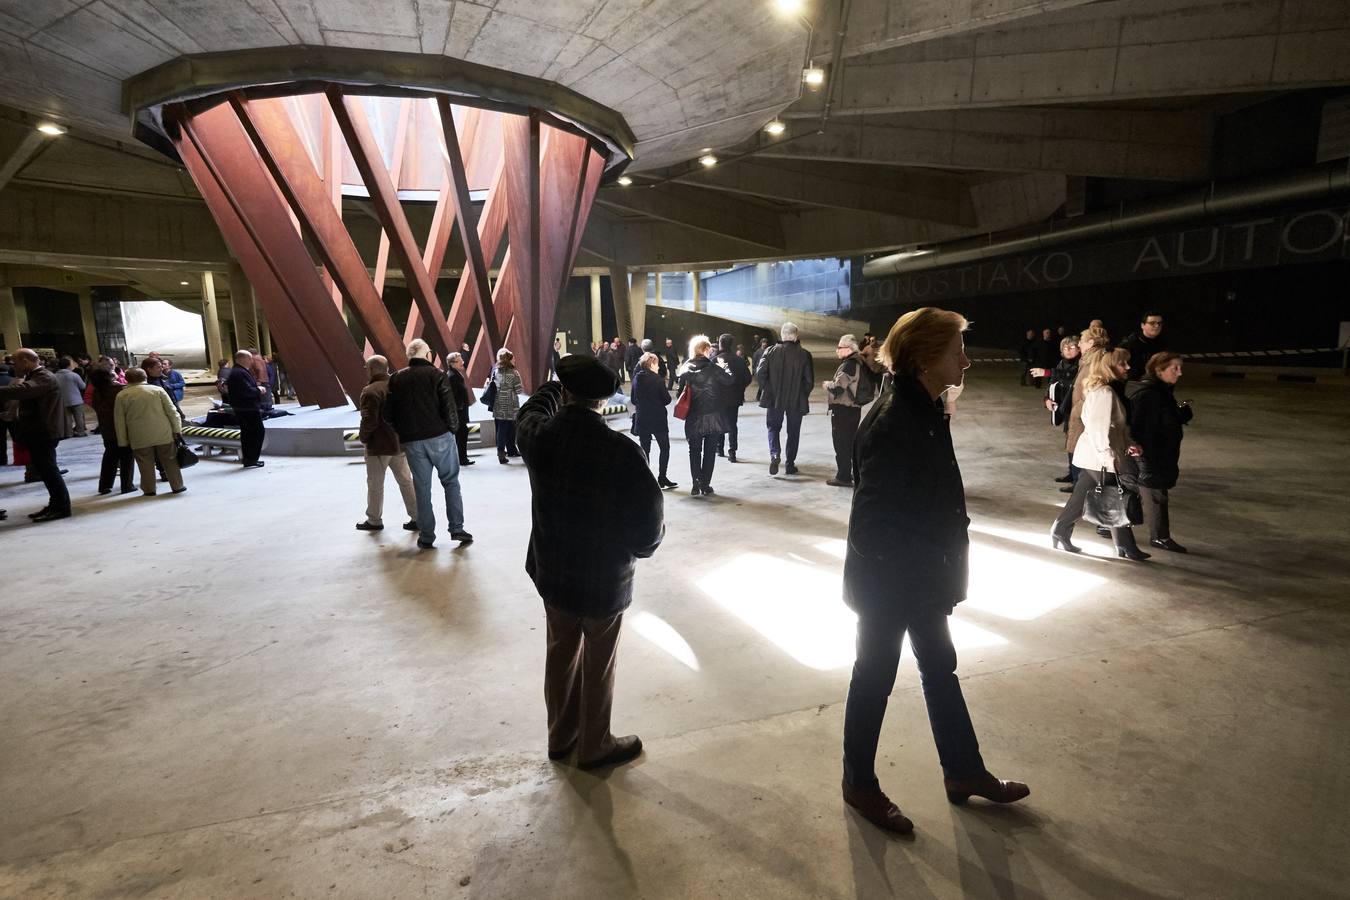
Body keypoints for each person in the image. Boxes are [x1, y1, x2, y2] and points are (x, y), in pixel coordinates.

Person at [842, 307, 1028, 835]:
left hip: (921, 577)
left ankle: (964, 772)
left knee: (939, 667)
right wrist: (912, 576)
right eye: (956, 351)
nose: (966, 360)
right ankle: (858, 783)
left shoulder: (924, 407)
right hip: (889, 583)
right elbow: (871, 526)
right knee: (874, 677)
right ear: (926, 357)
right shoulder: (892, 420)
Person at [516, 354, 664, 770]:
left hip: (553, 572)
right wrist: (643, 549)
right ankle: (595, 744)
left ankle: (560, 737)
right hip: (603, 579)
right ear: (604, 399)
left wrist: (549, 386)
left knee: (560, 652)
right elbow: (649, 521)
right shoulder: (621, 451)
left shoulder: (539, 437)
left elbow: (529, 411)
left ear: (564, 393)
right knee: (599, 661)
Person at [1051, 348, 1150, 561]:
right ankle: (1126, 545)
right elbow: (1099, 428)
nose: (1128, 367)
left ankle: (1060, 530)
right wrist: (1108, 458)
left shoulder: (1104, 390)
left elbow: (1114, 428)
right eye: (1123, 364)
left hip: (1094, 455)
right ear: (1108, 367)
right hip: (1099, 456)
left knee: (1081, 498)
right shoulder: (1104, 392)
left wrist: (1129, 443)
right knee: (1114, 496)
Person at [385, 338, 472, 550]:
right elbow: (450, 409)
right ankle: (456, 529)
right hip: (440, 437)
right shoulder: (437, 375)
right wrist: (451, 430)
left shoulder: (396, 378)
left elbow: (387, 414)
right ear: (427, 355)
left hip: (413, 442)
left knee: (422, 488)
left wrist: (403, 432)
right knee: (450, 482)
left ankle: (426, 536)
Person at [1129, 352, 1193, 553]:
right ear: (1159, 370)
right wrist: (1143, 454)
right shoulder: (1149, 394)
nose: (1180, 372)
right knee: (1155, 495)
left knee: (1147, 494)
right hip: (1151, 455)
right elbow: (1138, 425)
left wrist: (1179, 414)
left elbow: (1161, 419)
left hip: (1159, 454)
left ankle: (1111, 525)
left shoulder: (1161, 391)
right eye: (1175, 368)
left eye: (1180, 368)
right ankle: (1160, 537)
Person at [0, 348, 71, 521]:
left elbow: (22, 390)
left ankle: (61, 507)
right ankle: (55, 505)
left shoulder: (43, 376)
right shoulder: (35, 375)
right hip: (39, 431)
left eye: (15, 362)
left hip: (44, 431)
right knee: (45, 470)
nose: (13, 366)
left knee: (49, 471)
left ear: (26, 361)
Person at [355, 355, 418, 533]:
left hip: (378, 446)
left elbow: (369, 421)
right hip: (399, 444)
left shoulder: (370, 391)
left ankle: (374, 519)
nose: (366, 371)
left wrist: (363, 438)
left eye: (367, 367)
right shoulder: (399, 386)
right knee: (406, 481)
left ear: (373, 369)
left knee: (375, 484)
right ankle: (417, 517)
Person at [114, 367, 186, 496]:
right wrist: (177, 429)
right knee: (170, 460)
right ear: (145, 377)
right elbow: (172, 411)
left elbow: (119, 420)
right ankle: (177, 486)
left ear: (127, 379)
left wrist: (122, 441)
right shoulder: (157, 390)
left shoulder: (122, 395)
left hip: (138, 435)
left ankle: (149, 489)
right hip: (163, 432)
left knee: (145, 463)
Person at [677, 335, 734, 496]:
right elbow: (730, 380)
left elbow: (680, 394)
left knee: (694, 451)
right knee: (710, 452)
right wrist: (725, 365)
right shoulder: (714, 368)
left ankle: (695, 482)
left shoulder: (685, 369)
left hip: (693, 417)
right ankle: (705, 485)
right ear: (705, 350)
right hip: (713, 417)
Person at [756, 322, 814, 476]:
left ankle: (775, 454)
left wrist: (768, 390)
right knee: (793, 432)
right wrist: (802, 394)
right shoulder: (804, 354)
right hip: (796, 400)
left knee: (773, 428)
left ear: (782, 335)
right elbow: (809, 381)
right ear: (796, 337)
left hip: (774, 399)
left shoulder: (770, 351)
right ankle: (790, 464)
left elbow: (760, 373)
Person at [822, 334, 870, 487]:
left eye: (839, 347)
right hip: (852, 410)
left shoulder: (849, 364)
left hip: (844, 410)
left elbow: (838, 388)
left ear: (848, 349)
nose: (837, 350)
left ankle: (843, 476)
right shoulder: (857, 362)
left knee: (841, 443)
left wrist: (827, 384)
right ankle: (851, 474)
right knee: (849, 443)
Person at [1038, 336, 1081, 491]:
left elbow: (1070, 381)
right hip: (1066, 409)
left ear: (1079, 348)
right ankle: (1072, 473)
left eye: (1072, 347)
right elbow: (1053, 384)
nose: (1068, 350)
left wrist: (1047, 372)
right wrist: (1047, 399)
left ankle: (1078, 481)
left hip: (1077, 410)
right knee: (1070, 443)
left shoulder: (1081, 365)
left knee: (1076, 444)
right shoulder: (1061, 364)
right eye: (1065, 347)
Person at [630, 351, 677, 489]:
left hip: (642, 417)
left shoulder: (636, 378)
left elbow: (633, 400)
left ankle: (648, 480)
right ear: (651, 364)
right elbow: (667, 399)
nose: (658, 367)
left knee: (645, 449)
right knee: (665, 448)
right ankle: (662, 478)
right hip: (657, 418)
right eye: (657, 364)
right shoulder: (657, 379)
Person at [88, 366, 134, 495]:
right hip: (121, 429)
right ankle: (127, 485)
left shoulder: (97, 392)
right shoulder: (119, 390)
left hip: (106, 429)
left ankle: (105, 485)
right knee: (126, 457)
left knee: (110, 457)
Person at [224, 349, 267, 468]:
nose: (251, 361)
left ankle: (249, 459)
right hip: (247, 408)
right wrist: (258, 390)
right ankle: (251, 458)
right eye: (249, 359)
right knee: (256, 432)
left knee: (248, 433)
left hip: (243, 408)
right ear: (242, 359)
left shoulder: (238, 371)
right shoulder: (240, 373)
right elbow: (245, 391)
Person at [713, 333, 752, 462]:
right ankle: (732, 452)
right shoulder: (739, 360)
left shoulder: (715, 360)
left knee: (719, 423)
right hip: (735, 397)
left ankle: (719, 449)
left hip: (718, 397)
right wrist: (739, 387)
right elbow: (748, 378)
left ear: (720, 344)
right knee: (732, 424)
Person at [490, 348, 524, 464]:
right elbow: (519, 390)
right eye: (513, 358)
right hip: (511, 404)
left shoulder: (496, 371)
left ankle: (502, 451)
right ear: (509, 360)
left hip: (498, 403)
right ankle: (509, 451)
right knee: (511, 428)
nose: (515, 360)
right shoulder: (514, 373)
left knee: (501, 429)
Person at [445, 352, 475, 466]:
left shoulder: (455, 374)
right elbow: (454, 396)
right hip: (459, 412)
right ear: (452, 364)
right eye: (459, 360)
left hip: (460, 411)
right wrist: (460, 407)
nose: (463, 362)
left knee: (462, 435)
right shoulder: (452, 376)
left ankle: (462, 457)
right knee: (461, 435)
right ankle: (462, 459)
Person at [1120, 310, 1168, 381]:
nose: (1157, 326)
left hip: (1156, 383)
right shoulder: (1128, 344)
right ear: (1142, 325)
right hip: (1133, 384)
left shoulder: (1163, 345)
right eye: (1152, 323)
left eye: (1159, 323)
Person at [54, 357, 88, 437]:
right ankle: (81, 432)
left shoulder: (54, 376)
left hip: (63, 401)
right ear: (69, 365)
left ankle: (69, 433)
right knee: (79, 418)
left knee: (67, 419)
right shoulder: (74, 375)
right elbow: (83, 386)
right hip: (76, 400)